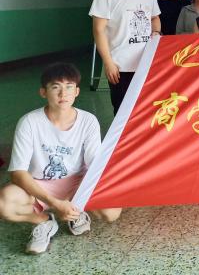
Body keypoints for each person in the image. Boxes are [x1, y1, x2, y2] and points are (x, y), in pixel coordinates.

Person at [0, 63, 121, 255]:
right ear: (43, 92)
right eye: (55, 87)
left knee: (112, 212)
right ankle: (44, 222)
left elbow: (94, 165)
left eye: (69, 87)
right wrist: (55, 204)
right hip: (40, 184)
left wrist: (85, 196)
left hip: (76, 183)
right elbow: (18, 173)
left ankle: (76, 212)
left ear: (77, 91)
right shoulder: (29, 122)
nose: (63, 93)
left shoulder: (88, 121)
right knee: (3, 204)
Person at [89, 0, 160, 115]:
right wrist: (108, 63)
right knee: (122, 112)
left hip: (146, 64)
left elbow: (154, 18)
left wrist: (156, 32)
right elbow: (98, 30)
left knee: (147, 111)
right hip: (120, 66)